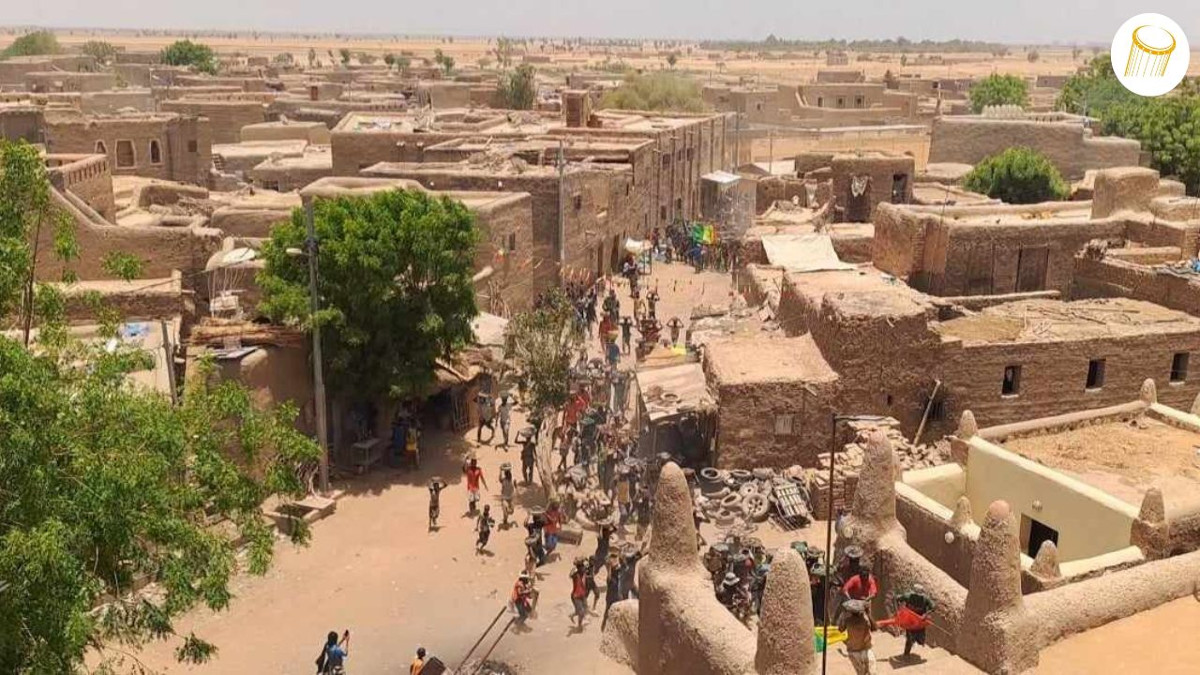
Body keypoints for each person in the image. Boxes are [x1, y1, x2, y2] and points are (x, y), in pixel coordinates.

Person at [895, 583, 936, 657]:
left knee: (921, 640)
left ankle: (916, 640)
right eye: (915, 595)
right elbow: (898, 598)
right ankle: (906, 654)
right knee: (909, 638)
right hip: (909, 620)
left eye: (918, 595)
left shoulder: (925, 599)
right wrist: (900, 608)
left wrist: (925, 614)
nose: (916, 596)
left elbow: (933, 606)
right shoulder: (907, 596)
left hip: (920, 621)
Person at [838, 599, 877, 675]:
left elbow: (840, 629)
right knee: (871, 672)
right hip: (862, 650)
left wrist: (843, 614)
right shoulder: (864, 619)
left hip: (857, 650)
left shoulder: (850, 620)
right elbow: (874, 628)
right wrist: (868, 613)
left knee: (864, 673)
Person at [569, 558, 590, 629]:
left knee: (585, 610)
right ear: (579, 568)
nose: (584, 569)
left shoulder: (584, 573)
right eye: (582, 568)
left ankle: (573, 616)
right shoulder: (576, 575)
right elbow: (570, 575)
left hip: (582, 595)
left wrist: (583, 560)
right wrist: (576, 565)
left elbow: (588, 565)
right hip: (576, 596)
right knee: (581, 612)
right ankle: (579, 625)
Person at [496, 463, 516, 527]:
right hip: (504, 498)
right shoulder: (503, 480)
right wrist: (500, 470)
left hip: (511, 498)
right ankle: (505, 520)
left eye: (509, 474)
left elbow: (516, 487)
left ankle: (506, 517)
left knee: (511, 511)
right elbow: (499, 478)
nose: (509, 475)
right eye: (507, 474)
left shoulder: (513, 480)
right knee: (505, 511)